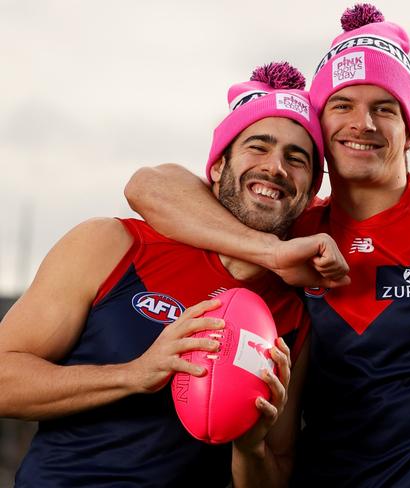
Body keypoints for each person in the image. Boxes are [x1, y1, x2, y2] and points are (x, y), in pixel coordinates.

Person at [125, 5, 410, 488]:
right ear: (321, 124)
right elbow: (149, 185)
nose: (364, 124)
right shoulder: (292, 226)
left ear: (409, 129)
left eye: (385, 108)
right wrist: (268, 250)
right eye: (343, 105)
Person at [0, 62, 344, 487]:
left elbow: (275, 472)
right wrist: (134, 374)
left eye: (297, 159)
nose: (276, 167)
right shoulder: (112, 245)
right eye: (259, 146)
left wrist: (249, 447)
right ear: (217, 168)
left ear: (310, 193)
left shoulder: (291, 316)